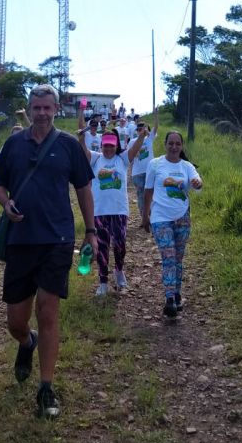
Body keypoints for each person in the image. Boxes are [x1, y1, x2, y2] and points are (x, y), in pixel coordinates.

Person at [0, 83, 96, 419]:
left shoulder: (67, 145)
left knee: (48, 310)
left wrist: (91, 231)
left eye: (47, 108)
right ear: (30, 108)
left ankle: (46, 387)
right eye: (36, 108)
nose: (41, 113)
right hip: (20, 240)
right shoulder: (13, 144)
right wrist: (5, 203)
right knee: (16, 321)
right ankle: (27, 342)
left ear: (56, 109)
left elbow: (84, 188)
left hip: (57, 239)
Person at [78, 121, 146, 296]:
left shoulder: (122, 159)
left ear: (116, 146)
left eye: (111, 146)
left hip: (119, 210)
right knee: (102, 246)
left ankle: (119, 270)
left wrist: (142, 136)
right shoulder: (95, 158)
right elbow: (84, 151)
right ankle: (103, 282)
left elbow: (134, 149)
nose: (108, 149)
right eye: (106, 145)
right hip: (99, 211)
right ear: (102, 145)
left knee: (120, 244)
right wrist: (81, 138)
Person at [143, 130, 202, 319]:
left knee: (177, 258)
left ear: (182, 146)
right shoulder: (155, 164)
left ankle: (177, 294)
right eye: (171, 143)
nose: (174, 147)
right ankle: (169, 299)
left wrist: (197, 183)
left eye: (178, 144)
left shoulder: (187, 166)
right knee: (168, 257)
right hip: (160, 217)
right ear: (165, 144)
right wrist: (145, 215)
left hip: (182, 217)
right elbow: (148, 191)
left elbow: (197, 181)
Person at [129, 109, 158, 223]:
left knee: (152, 194)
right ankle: (144, 218)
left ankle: (152, 216)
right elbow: (130, 156)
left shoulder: (149, 138)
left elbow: (156, 127)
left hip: (150, 171)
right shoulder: (132, 141)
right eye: (138, 129)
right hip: (137, 173)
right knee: (141, 195)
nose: (140, 131)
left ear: (145, 129)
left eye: (142, 129)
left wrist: (156, 116)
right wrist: (134, 154)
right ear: (137, 131)